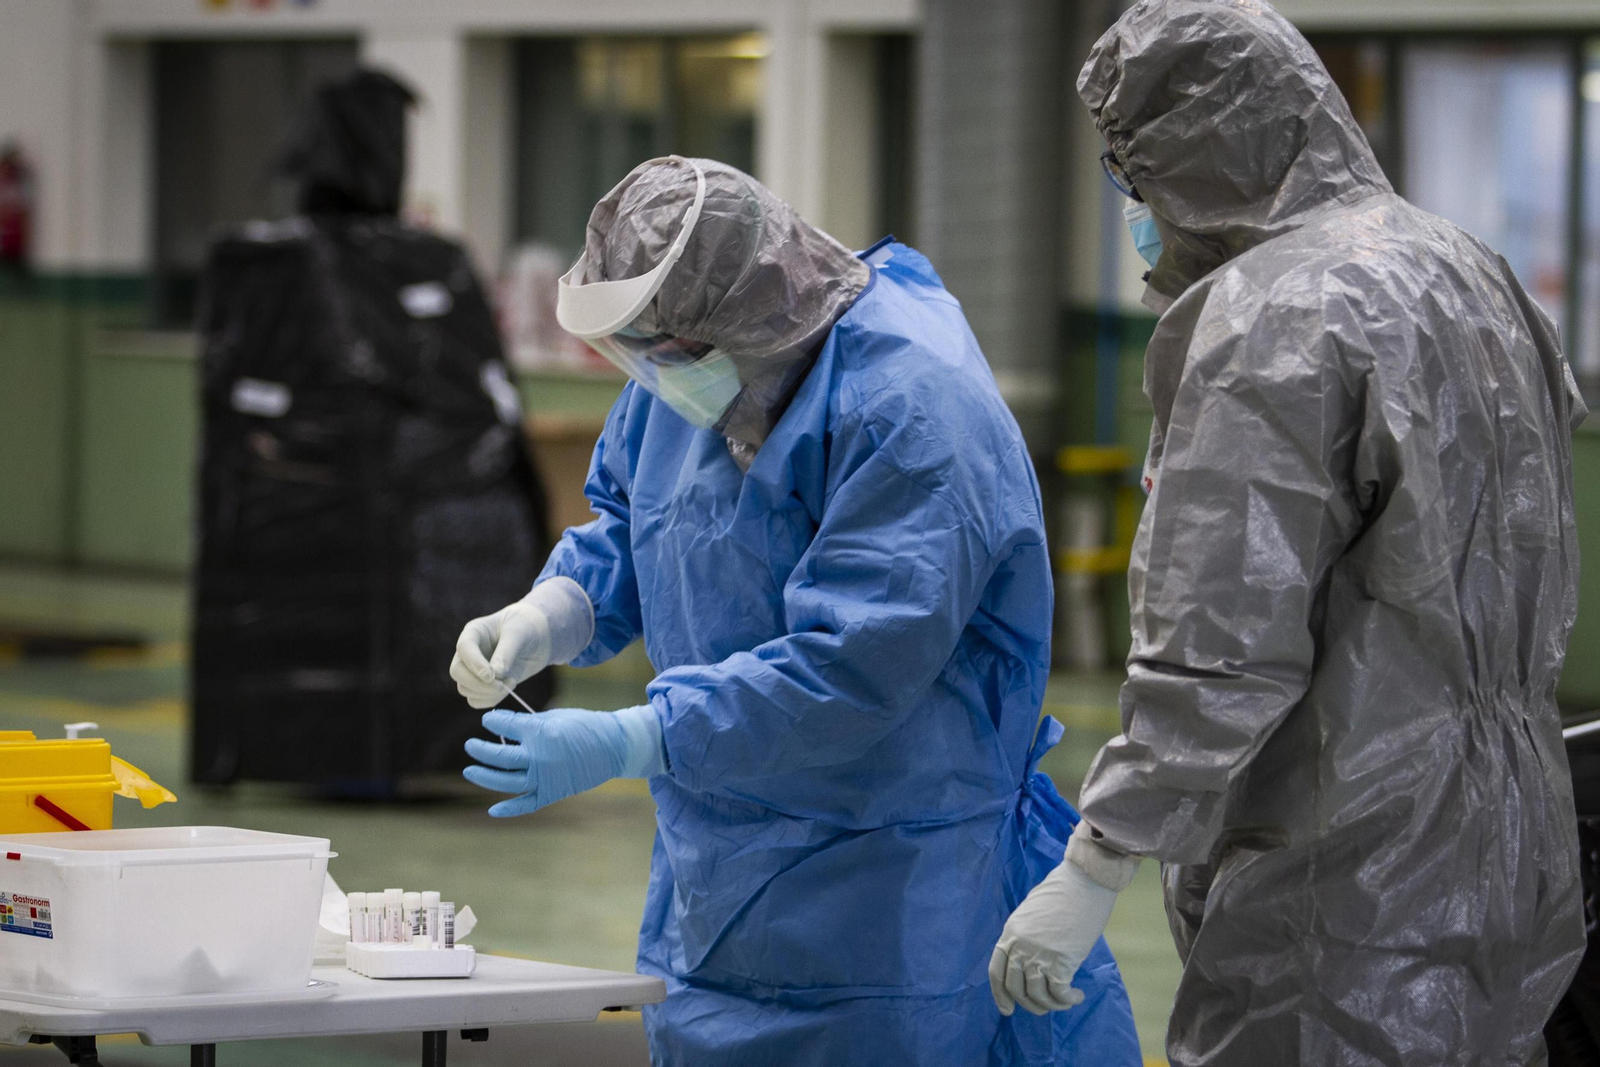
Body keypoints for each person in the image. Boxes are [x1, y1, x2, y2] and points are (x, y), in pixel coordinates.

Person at [988, 1, 1589, 1063]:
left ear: (1188, 152)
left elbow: (1221, 636)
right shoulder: (1471, 268)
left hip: (1346, 865)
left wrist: (1097, 856)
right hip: (1513, 835)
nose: (1133, 205)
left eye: (1131, 172)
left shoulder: (1272, 315)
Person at [449, 156, 1142, 1065]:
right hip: (718, 868)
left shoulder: (912, 406)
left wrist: (634, 736)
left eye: (655, 347)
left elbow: (853, 661)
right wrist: (557, 606)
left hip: (890, 880)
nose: (645, 371)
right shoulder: (689, 363)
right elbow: (637, 518)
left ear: (740, 311)